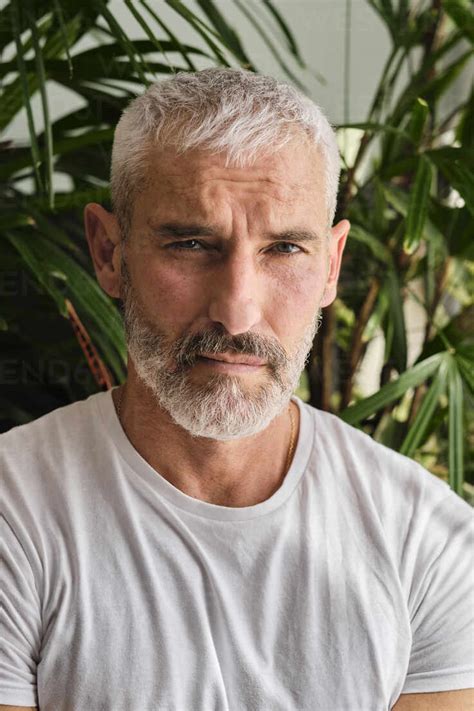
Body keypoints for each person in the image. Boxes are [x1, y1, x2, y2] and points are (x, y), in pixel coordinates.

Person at [1, 68, 472, 711]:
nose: (238, 312)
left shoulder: (428, 540)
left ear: (331, 266)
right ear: (109, 252)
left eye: (284, 249)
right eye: (192, 244)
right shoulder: (15, 513)